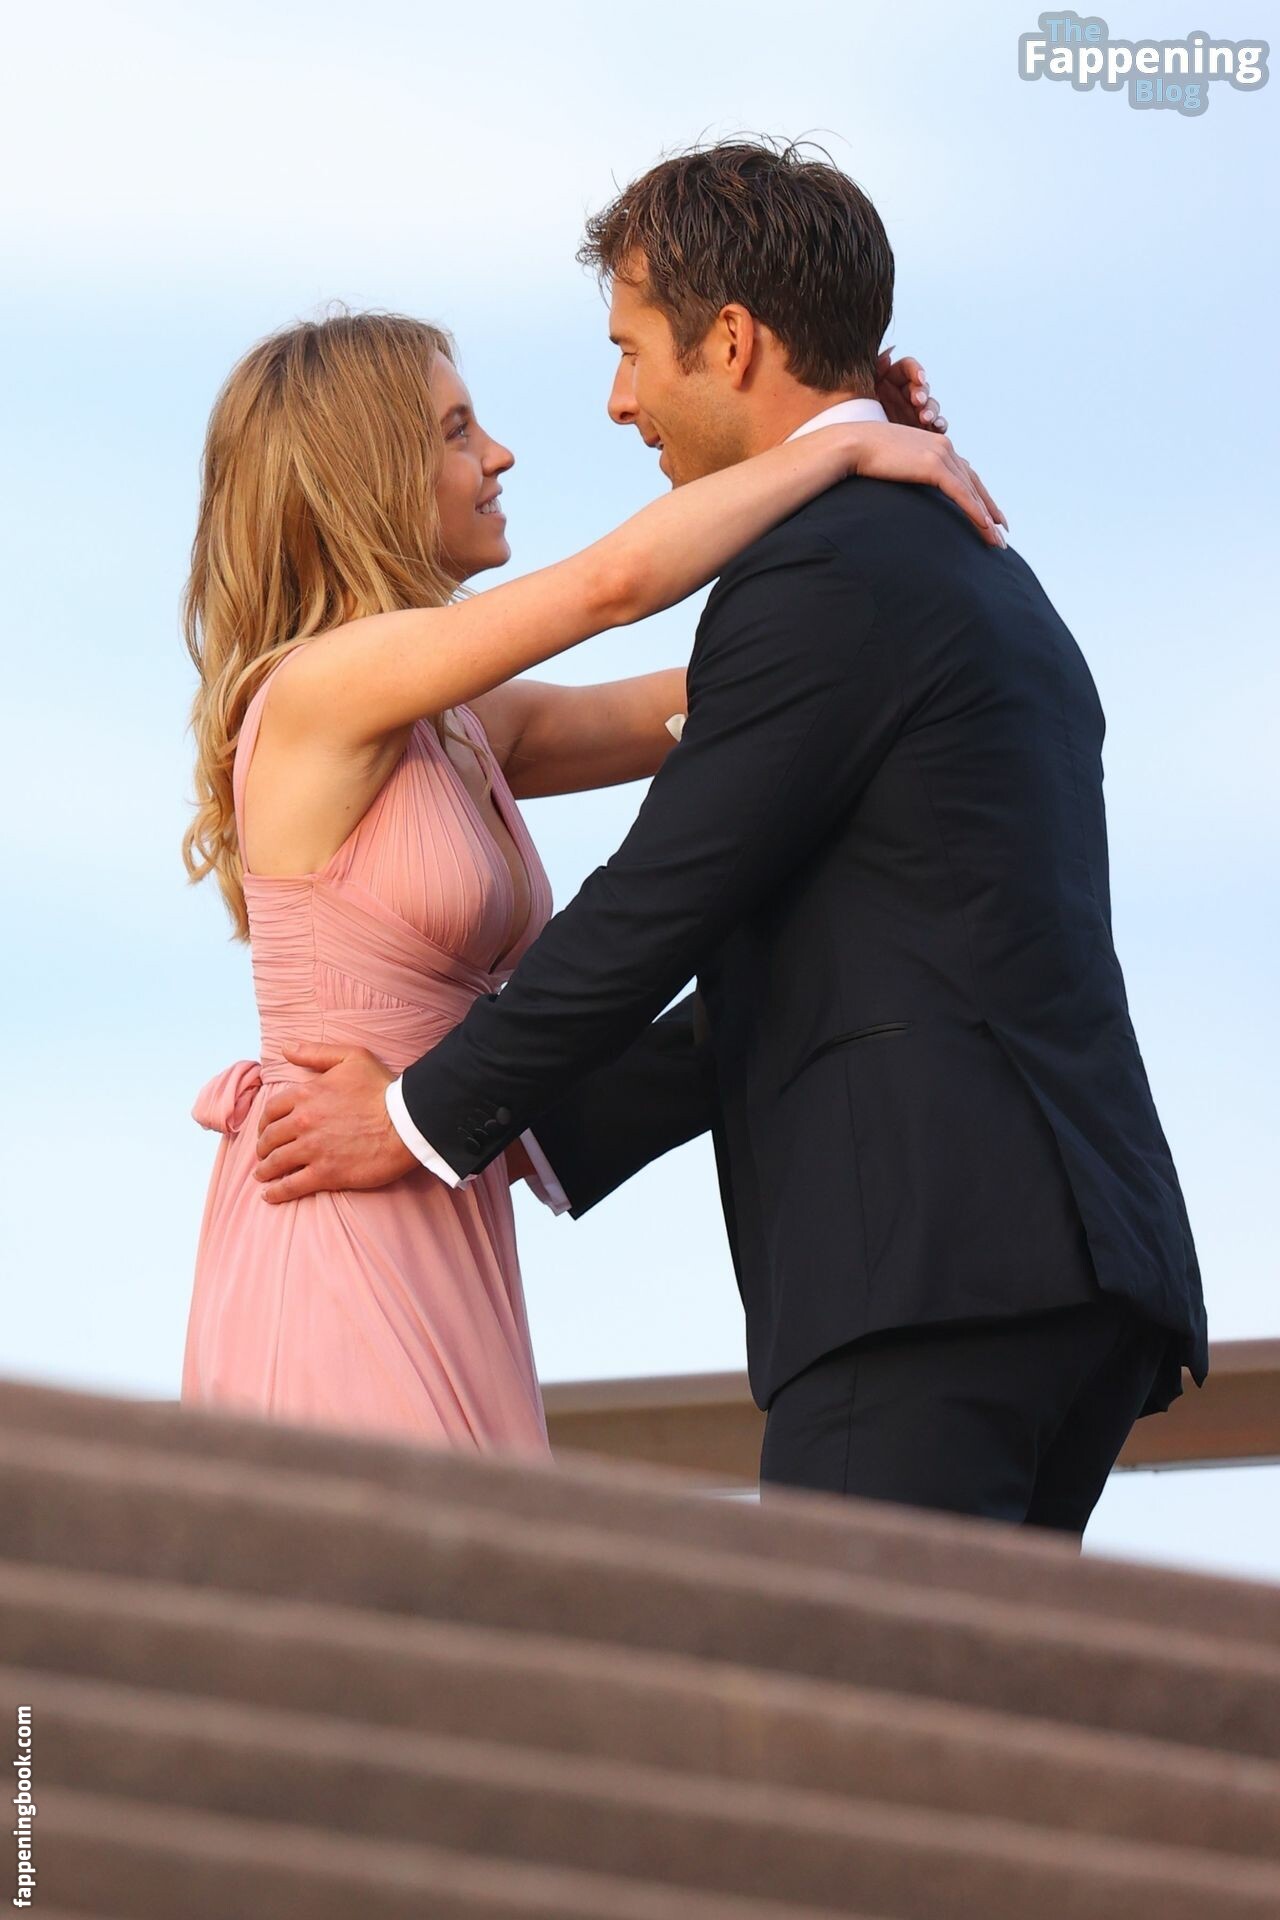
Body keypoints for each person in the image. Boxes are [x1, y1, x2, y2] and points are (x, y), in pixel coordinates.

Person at [255, 140, 1207, 1536]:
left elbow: (659, 897)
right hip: (1065, 1262)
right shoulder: (955, 563)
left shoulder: (833, 567)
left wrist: (420, 1115)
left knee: (835, 1684)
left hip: (926, 1275)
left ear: (735, 342)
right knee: (930, 1697)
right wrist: (527, 1137)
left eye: (631, 351)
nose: (617, 400)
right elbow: (798, 943)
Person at [182, 304, 985, 1451]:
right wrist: (841, 445)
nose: (498, 455)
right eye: (456, 432)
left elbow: (748, 688)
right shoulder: (320, 694)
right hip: (334, 1226)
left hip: (435, 1210)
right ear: (366, 476)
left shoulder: (461, 725)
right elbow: (612, 585)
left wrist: (895, 519)